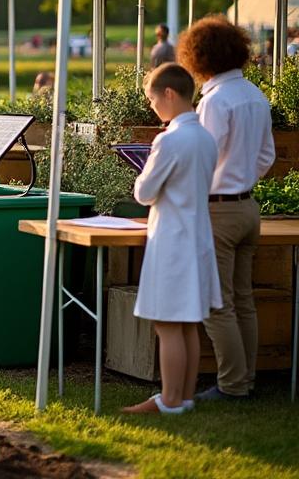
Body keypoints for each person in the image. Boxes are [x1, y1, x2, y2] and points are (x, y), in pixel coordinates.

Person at [178, 16, 275, 401]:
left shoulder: (215, 99)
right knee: (243, 300)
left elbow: (204, 153)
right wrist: (242, 176)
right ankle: (244, 379)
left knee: (218, 304)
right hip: (248, 207)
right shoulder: (254, 93)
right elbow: (266, 155)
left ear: (198, 56)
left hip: (217, 210)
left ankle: (233, 385)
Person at [122, 63, 222, 415]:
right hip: (197, 234)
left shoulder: (169, 139)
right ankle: (186, 397)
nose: (151, 106)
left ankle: (170, 400)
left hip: (172, 239)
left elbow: (145, 192)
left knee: (167, 323)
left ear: (169, 94)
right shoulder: (206, 137)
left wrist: (144, 170)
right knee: (189, 322)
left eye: (152, 99)